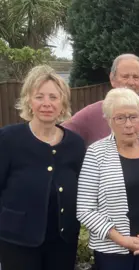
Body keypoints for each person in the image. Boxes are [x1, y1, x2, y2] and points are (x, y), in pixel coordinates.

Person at [76, 88, 139, 270]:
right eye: (120, 118)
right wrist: (122, 240)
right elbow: (85, 209)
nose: (128, 124)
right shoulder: (96, 153)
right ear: (109, 120)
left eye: (134, 117)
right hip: (112, 251)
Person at [0, 65, 85, 270]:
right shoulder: (8, 139)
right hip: (17, 241)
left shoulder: (75, 143)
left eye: (53, 97)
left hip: (63, 241)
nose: (46, 104)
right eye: (39, 97)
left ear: (63, 102)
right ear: (29, 100)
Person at [63, 53, 139, 147]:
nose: (131, 82)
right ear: (112, 79)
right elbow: (57, 135)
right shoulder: (91, 113)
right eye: (125, 76)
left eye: (136, 77)